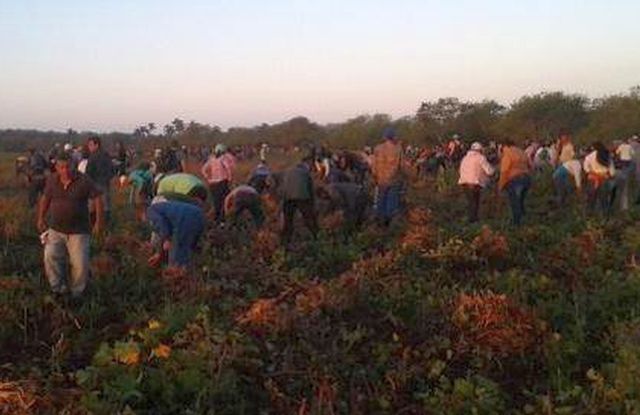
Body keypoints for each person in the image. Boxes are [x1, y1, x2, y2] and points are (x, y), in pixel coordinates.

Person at [37, 152, 104, 298]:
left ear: (73, 166)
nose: (65, 170)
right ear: (56, 167)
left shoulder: (84, 180)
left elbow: (98, 198)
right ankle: (58, 289)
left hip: (78, 231)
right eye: (61, 167)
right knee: (50, 257)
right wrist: (40, 218)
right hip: (55, 229)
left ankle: (77, 294)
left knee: (80, 264)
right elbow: (45, 198)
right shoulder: (52, 180)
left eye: (68, 167)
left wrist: (98, 222)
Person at [146, 198, 206, 269]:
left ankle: (177, 273)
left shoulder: (150, 211)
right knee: (189, 250)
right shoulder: (162, 208)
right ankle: (192, 271)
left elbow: (161, 224)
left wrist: (166, 239)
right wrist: (160, 252)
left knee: (177, 255)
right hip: (199, 215)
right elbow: (166, 227)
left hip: (184, 219)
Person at [281, 157, 318, 245]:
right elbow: (310, 189)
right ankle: (316, 237)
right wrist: (312, 205)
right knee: (309, 219)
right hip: (302, 197)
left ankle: (285, 241)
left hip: (288, 198)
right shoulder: (306, 173)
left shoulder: (287, 172)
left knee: (288, 221)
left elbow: (283, 187)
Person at [371, 127, 404, 226]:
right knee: (391, 203)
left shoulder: (377, 148)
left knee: (380, 201)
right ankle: (389, 224)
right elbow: (401, 165)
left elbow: (374, 166)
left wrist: (375, 177)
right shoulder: (398, 149)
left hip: (381, 181)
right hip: (393, 181)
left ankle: (379, 222)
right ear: (393, 137)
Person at [458, 142, 495, 223]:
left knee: (470, 202)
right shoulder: (481, 158)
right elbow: (489, 171)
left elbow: (460, 170)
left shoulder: (465, 158)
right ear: (480, 150)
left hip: (464, 182)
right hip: (474, 183)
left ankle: (471, 220)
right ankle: (473, 221)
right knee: (475, 202)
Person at [498, 140, 532, 226]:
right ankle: (524, 220)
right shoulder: (522, 152)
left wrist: (501, 185)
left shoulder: (508, 153)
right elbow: (530, 165)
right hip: (526, 179)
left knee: (514, 202)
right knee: (521, 201)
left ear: (505, 146)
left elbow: (504, 171)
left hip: (515, 180)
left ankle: (516, 224)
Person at [201, 144, 235, 224]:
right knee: (224, 201)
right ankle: (222, 220)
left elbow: (203, 169)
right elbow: (228, 169)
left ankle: (216, 219)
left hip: (213, 184)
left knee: (216, 202)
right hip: (222, 183)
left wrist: (208, 178)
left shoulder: (211, 159)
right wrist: (230, 179)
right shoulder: (223, 159)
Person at [85, 136, 114, 225]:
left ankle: (94, 227)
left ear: (96, 145)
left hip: (94, 184)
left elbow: (88, 172)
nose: (89, 147)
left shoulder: (92, 157)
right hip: (105, 184)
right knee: (105, 206)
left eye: (90, 145)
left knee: (92, 207)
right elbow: (112, 170)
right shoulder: (107, 155)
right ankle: (106, 227)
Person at [583, 142, 616, 215]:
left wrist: (594, 174)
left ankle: (590, 216)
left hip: (593, 179)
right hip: (604, 179)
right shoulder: (607, 155)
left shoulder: (589, 157)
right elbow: (612, 172)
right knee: (603, 199)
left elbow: (586, 169)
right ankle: (604, 215)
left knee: (591, 199)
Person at [615, 139, 635, 211]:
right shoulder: (629, 146)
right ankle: (627, 177)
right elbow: (633, 154)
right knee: (627, 171)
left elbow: (617, 152)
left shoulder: (621, 146)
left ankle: (624, 177)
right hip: (628, 160)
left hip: (622, 160)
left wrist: (619, 156)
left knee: (623, 171)